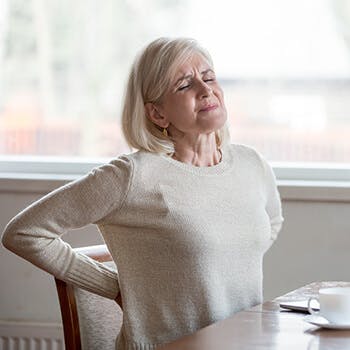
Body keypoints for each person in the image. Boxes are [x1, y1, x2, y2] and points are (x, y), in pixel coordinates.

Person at [2, 37, 284, 350]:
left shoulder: (251, 164)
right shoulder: (133, 176)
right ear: (157, 114)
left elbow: (272, 221)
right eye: (184, 85)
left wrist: (226, 253)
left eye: (209, 77)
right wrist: (113, 286)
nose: (206, 90)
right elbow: (24, 233)